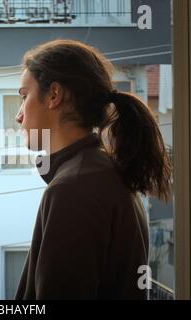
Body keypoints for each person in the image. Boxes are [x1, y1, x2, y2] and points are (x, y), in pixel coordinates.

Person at [14, 39, 172, 300]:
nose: (19, 115)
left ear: (54, 95)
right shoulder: (98, 170)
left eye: (24, 96)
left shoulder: (73, 189)